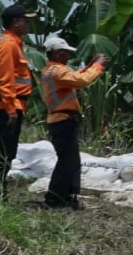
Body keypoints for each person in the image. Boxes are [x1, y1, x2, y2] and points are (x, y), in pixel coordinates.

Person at [40, 37, 108, 210]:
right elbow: (81, 81)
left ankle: (65, 197)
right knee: (66, 162)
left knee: (70, 161)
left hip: (62, 120)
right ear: (55, 53)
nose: (68, 56)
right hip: (62, 121)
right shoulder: (56, 71)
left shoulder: (54, 70)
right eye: (65, 52)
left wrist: (90, 65)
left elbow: (75, 78)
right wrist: (97, 66)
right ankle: (55, 199)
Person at [0, 5, 36, 198]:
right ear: (15, 22)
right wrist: (11, 109)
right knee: (0, 153)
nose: (28, 24)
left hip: (11, 105)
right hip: (5, 107)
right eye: (26, 20)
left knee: (6, 153)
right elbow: (6, 81)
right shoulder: (8, 45)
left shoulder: (14, 43)